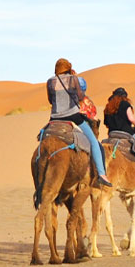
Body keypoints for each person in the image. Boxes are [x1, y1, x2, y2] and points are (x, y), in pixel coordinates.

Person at [46, 58, 111, 186]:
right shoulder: (73, 79)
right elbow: (80, 97)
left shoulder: (50, 82)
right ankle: (101, 174)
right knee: (93, 141)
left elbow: (50, 100)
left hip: (54, 118)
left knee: (43, 136)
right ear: (68, 68)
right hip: (72, 116)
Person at [103, 87, 135, 187]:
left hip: (112, 134)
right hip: (126, 133)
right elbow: (131, 118)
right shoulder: (125, 104)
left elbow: (106, 124)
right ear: (125, 97)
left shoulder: (108, 107)